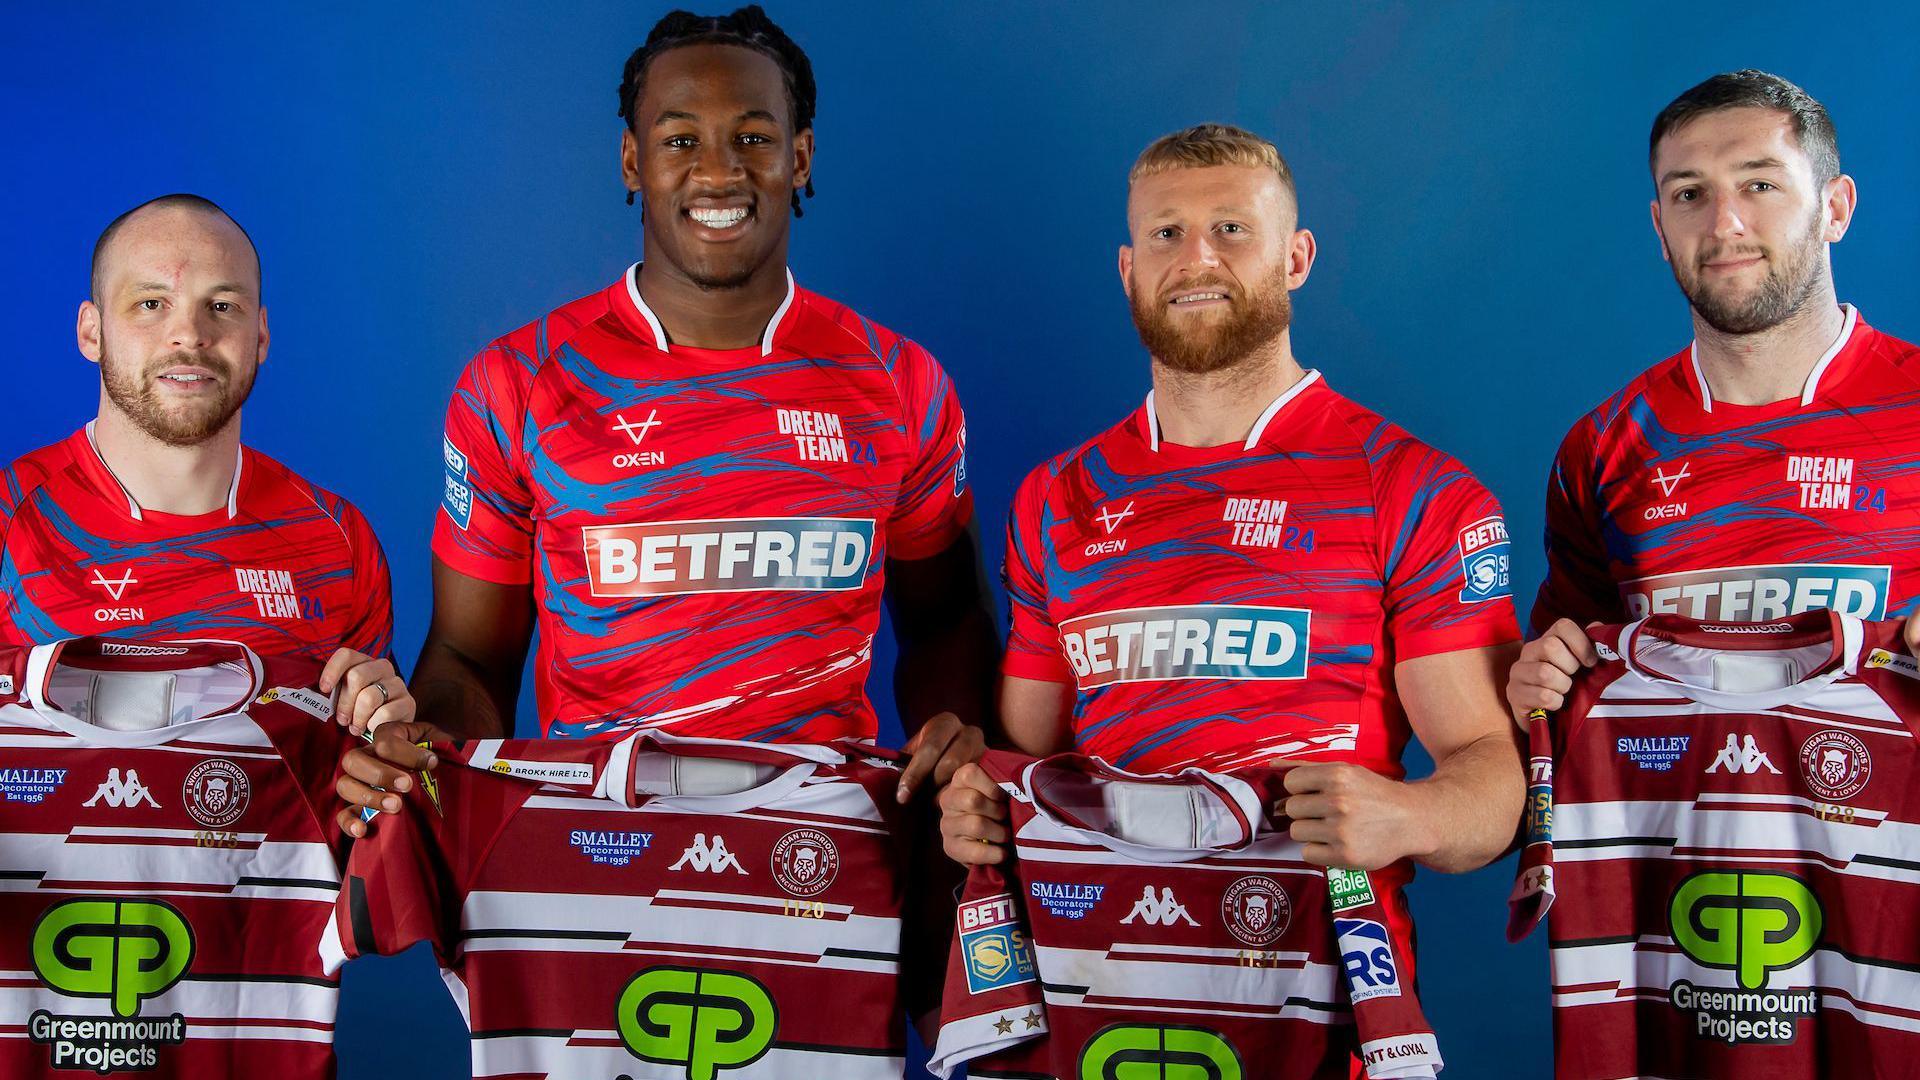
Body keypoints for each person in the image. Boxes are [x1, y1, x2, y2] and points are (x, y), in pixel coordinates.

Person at [332, 6, 997, 834]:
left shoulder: (902, 383)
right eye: (680, 140)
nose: (718, 174)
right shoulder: (517, 384)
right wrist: (422, 753)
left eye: (753, 138)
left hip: (825, 846)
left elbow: (944, 625)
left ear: (801, 157)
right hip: (596, 837)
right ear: (632, 161)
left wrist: (955, 738)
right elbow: (472, 657)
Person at [938, 124, 1523, 892]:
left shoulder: (1411, 490)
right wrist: (976, 804)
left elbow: (1494, 773)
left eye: (1231, 230)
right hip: (1095, 958)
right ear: (1128, 269)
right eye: (1166, 234)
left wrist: (1414, 818)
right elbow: (1023, 760)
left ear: (1296, 257)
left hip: (1315, 964)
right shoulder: (1057, 499)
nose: (1196, 259)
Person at [1508, 70, 1920, 722]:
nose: (1724, 224)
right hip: (1675, 824)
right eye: (1690, 193)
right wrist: (1535, 685)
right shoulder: (1604, 448)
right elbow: (1562, 693)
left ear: (1834, 208)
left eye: (1759, 185)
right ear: (1660, 227)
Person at [0, 194, 410, 732]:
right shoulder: (12, 519)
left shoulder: (338, 540)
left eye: (221, 306)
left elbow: (370, 770)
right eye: (151, 304)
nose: (190, 334)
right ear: (91, 332)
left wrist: (387, 735)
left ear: (259, 335)